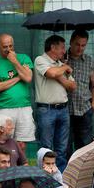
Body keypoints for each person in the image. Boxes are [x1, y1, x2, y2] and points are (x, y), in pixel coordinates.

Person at [34, 34, 76, 172]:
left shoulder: (59, 64)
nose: (64, 51)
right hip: (46, 109)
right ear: (52, 47)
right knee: (46, 147)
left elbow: (72, 86)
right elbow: (51, 73)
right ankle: (45, 175)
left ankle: (61, 175)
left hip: (63, 109)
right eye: (62, 48)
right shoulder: (40, 60)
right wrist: (64, 69)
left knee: (62, 147)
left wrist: (61, 72)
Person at [0, 33, 35, 150]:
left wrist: (15, 62)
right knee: (3, 143)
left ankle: (21, 168)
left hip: (24, 107)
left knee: (21, 145)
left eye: (11, 46)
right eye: (5, 46)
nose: (8, 49)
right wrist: (18, 77)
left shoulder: (23, 58)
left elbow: (28, 78)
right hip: (4, 108)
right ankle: (6, 168)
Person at [67, 29, 94, 152]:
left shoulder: (89, 61)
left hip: (84, 108)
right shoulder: (63, 59)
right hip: (66, 109)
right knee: (66, 145)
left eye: (83, 45)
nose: (80, 48)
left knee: (85, 145)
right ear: (71, 42)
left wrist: (93, 105)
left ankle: (85, 171)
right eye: (77, 44)